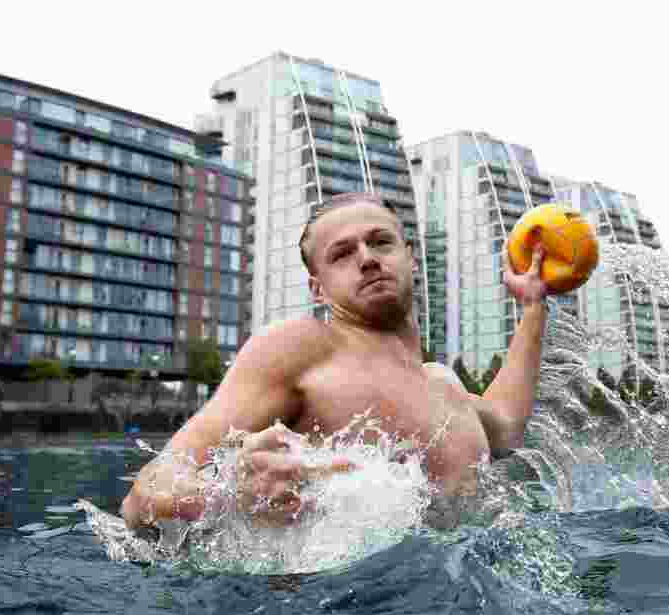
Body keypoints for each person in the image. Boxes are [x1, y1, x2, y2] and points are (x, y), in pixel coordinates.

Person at [121, 192, 549, 531]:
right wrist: (231, 498)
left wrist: (532, 308)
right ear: (317, 288)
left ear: (411, 259)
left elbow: (506, 426)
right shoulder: (300, 348)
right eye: (342, 254)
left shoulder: (443, 385)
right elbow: (146, 494)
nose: (367, 257)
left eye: (381, 241)